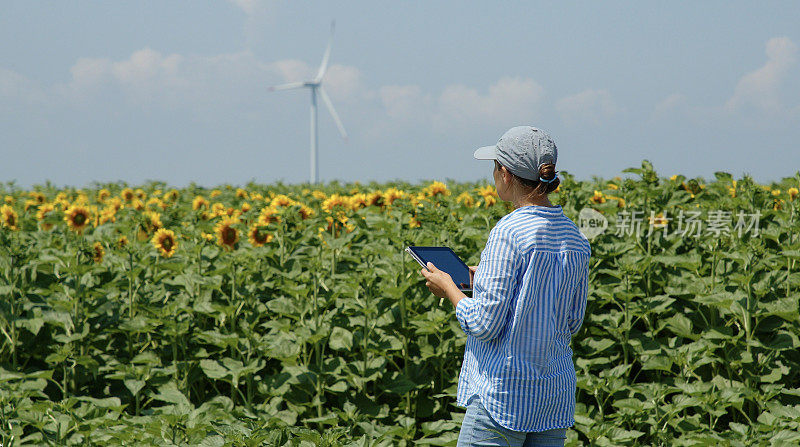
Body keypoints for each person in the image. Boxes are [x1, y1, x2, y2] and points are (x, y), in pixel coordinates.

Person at [420, 126, 591, 447]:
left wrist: (450, 289)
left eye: (494, 166)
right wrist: (483, 277)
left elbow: (484, 324)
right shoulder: (576, 237)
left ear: (505, 173)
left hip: (504, 394)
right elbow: (572, 321)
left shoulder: (509, 231)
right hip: (553, 395)